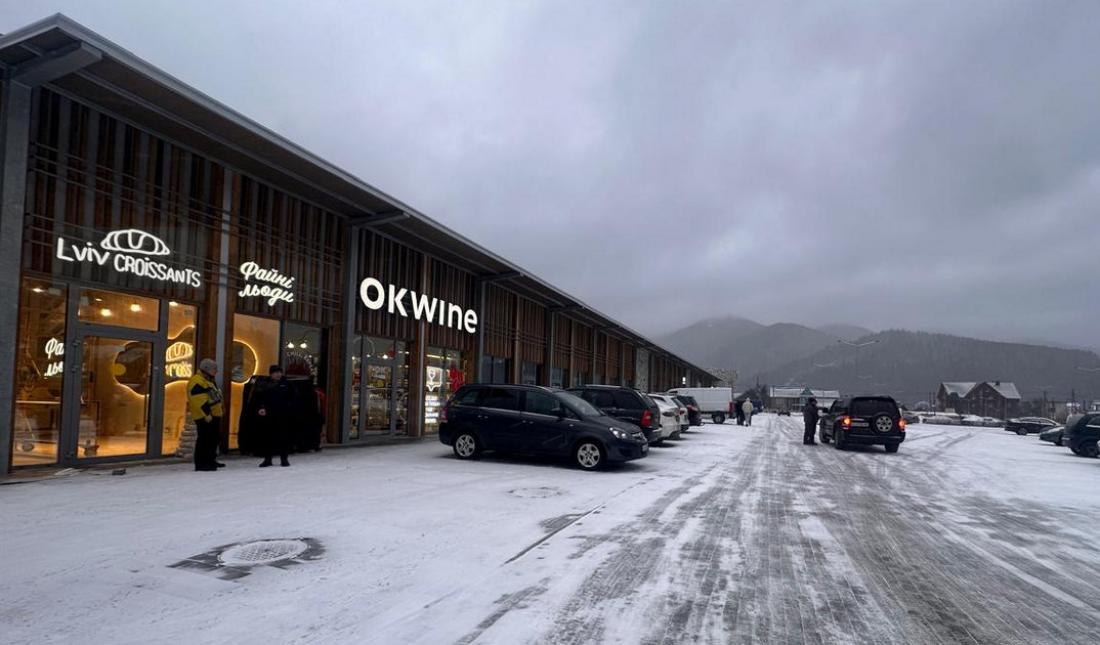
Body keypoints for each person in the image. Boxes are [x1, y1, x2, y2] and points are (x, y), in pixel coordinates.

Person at [255, 364, 296, 467]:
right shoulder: (265, 384)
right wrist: (261, 407)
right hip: (269, 414)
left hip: (283, 414)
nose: (278, 374)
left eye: (280, 372)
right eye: (276, 372)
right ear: (271, 374)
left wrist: (289, 407)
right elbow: (259, 397)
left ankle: (284, 458)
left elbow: (294, 396)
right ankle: (267, 459)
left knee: (283, 437)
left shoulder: (286, 383)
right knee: (268, 437)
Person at [187, 358, 224, 471]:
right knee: (204, 440)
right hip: (205, 417)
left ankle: (211, 460)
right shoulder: (197, 381)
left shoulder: (209, 380)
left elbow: (215, 396)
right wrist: (207, 414)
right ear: (206, 369)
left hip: (214, 415)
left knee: (213, 439)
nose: (216, 371)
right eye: (214, 369)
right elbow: (198, 400)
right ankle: (201, 464)